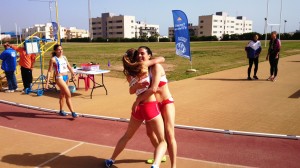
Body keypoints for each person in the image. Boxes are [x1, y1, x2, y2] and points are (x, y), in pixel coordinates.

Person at [105, 49, 167, 168]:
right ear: (135, 58)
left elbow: (131, 91)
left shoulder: (129, 73)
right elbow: (161, 59)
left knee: (127, 136)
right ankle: (156, 165)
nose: (140, 55)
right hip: (150, 106)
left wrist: (137, 87)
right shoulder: (143, 66)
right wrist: (152, 59)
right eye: (138, 54)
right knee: (162, 141)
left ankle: (111, 160)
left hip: (138, 108)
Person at [130, 46, 177, 168]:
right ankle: (160, 155)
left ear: (149, 55)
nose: (139, 56)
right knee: (150, 133)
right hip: (154, 105)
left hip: (166, 103)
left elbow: (154, 88)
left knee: (169, 134)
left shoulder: (156, 67)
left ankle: (174, 166)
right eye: (138, 54)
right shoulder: (143, 69)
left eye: (142, 53)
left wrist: (137, 101)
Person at [45, 44, 77, 118]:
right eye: (59, 50)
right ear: (55, 51)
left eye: (61, 49)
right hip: (59, 78)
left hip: (66, 77)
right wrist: (47, 83)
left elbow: (69, 66)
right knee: (68, 94)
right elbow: (49, 71)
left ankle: (61, 110)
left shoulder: (64, 58)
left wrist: (73, 74)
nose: (61, 51)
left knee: (62, 95)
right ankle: (73, 112)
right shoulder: (53, 59)